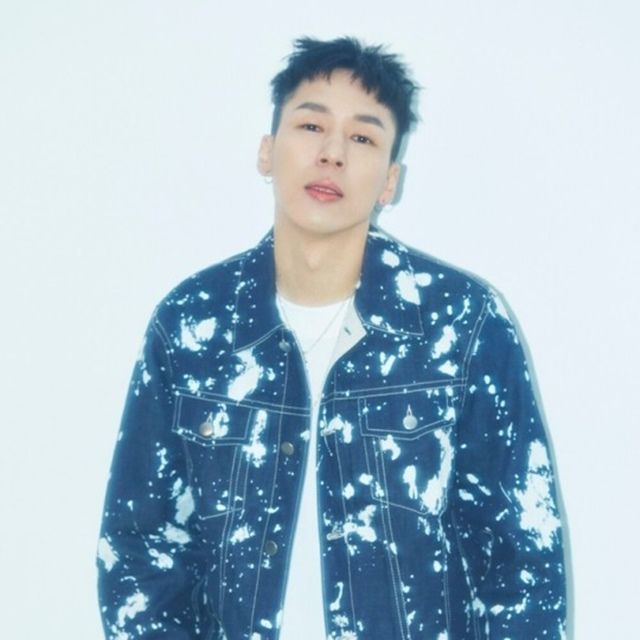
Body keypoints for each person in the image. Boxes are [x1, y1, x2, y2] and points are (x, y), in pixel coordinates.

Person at [97, 36, 567, 640]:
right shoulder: (193, 324)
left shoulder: (463, 325)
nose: (332, 154)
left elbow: (523, 557)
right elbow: (139, 547)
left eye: (363, 138)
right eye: (311, 125)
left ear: (390, 180)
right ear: (267, 151)